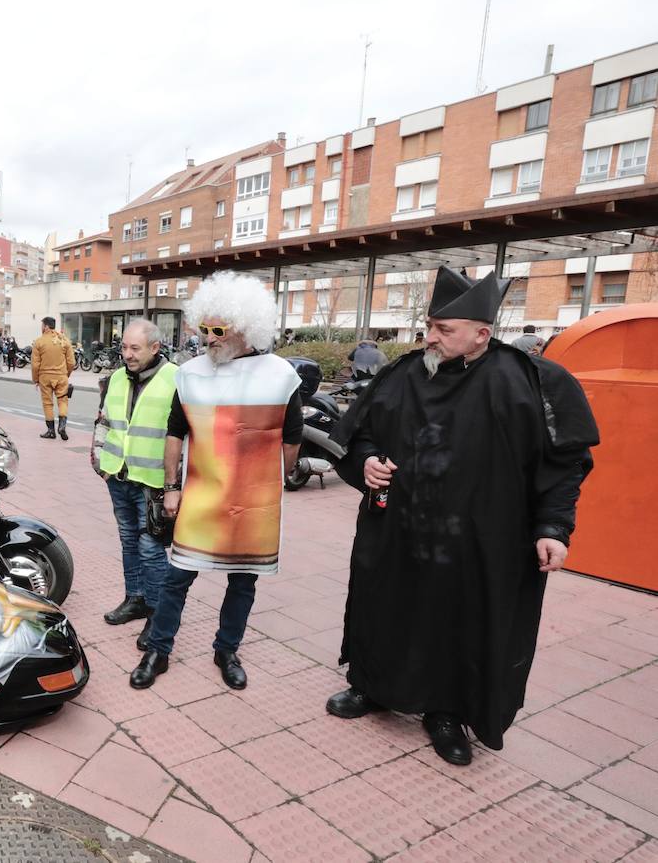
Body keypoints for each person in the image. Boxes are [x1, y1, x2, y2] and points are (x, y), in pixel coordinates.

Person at [324, 266, 598, 766]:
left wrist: (554, 528)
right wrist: (365, 460)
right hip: (397, 535)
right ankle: (372, 686)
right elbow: (356, 434)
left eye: (443, 330)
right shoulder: (402, 373)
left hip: (481, 541)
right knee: (384, 606)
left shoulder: (529, 383)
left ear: (482, 334)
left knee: (460, 622)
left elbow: (564, 464)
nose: (429, 337)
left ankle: (446, 712)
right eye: (429, 326)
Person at [131, 272, 302, 691]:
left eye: (217, 329)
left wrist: (269, 481)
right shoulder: (189, 375)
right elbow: (176, 432)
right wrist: (171, 488)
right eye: (203, 328)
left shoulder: (280, 376)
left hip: (252, 499)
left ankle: (227, 649)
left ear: (246, 328)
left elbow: (292, 439)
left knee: (243, 581)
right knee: (177, 575)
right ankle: (159, 648)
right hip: (201, 494)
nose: (208, 337)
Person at [94, 319, 179, 634]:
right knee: (129, 541)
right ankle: (136, 598)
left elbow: (183, 434)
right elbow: (103, 421)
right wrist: (100, 462)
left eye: (135, 348)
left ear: (155, 348)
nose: (127, 354)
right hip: (118, 476)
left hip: (153, 481)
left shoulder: (176, 379)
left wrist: (175, 483)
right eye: (124, 347)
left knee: (150, 548)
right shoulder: (116, 378)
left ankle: (159, 613)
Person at [31, 316, 75, 439]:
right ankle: (62, 426)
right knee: (62, 400)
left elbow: (35, 365)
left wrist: (36, 379)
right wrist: (66, 374)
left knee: (47, 403)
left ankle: (51, 431)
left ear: (45, 326)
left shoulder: (39, 342)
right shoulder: (64, 340)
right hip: (61, 376)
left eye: (42, 325)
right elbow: (71, 362)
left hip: (45, 377)